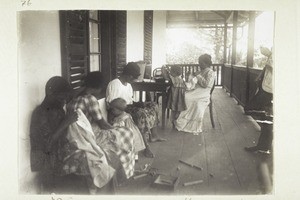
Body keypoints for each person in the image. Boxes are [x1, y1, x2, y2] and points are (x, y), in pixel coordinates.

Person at [66, 72, 135, 194]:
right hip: (90, 135)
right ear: (97, 87)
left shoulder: (73, 100)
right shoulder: (90, 99)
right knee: (127, 133)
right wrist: (114, 130)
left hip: (76, 137)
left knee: (119, 134)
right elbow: (102, 123)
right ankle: (124, 174)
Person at [106, 62, 166, 158]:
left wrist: (139, 104)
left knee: (153, 105)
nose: (134, 80)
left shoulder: (128, 85)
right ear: (128, 75)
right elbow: (112, 105)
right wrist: (133, 107)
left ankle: (154, 135)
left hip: (128, 107)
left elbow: (130, 101)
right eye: (133, 77)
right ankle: (146, 147)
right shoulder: (114, 84)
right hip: (120, 111)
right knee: (141, 114)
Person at [30, 76, 78, 194]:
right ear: (50, 93)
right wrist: (66, 122)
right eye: (62, 98)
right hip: (45, 161)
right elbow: (47, 145)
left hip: (57, 157)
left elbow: (62, 134)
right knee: (51, 190)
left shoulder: (58, 109)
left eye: (66, 99)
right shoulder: (40, 114)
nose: (64, 102)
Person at [175, 54, 215, 135]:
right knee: (183, 95)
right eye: (199, 62)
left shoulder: (210, 72)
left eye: (201, 63)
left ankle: (188, 124)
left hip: (204, 92)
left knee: (187, 97)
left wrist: (198, 75)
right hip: (197, 90)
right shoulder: (201, 71)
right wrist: (190, 76)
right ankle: (180, 120)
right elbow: (193, 82)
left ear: (206, 63)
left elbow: (206, 84)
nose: (199, 64)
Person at [244, 46, 273, 154]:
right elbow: (267, 67)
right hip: (266, 88)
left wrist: (270, 54)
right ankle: (263, 146)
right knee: (267, 118)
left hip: (270, 91)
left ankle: (264, 146)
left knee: (250, 109)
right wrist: (260, 76)